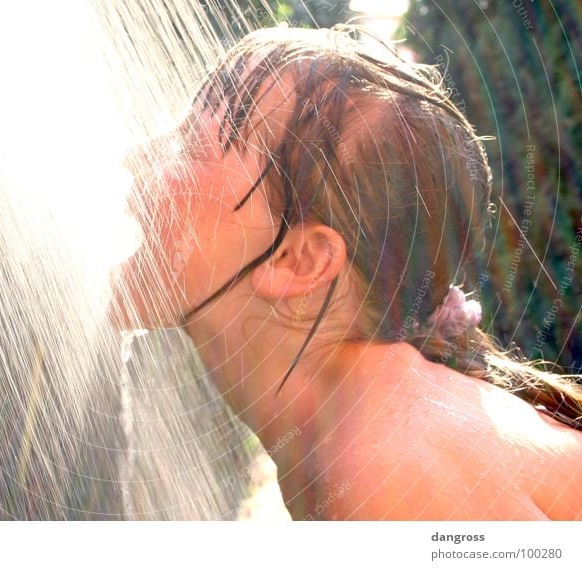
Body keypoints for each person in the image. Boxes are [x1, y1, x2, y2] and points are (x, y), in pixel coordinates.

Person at [110, 24, 582, 520]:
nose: (134, 156)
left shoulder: (383, 468)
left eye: (191, 144)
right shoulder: (357, 432)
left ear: (300, 261)